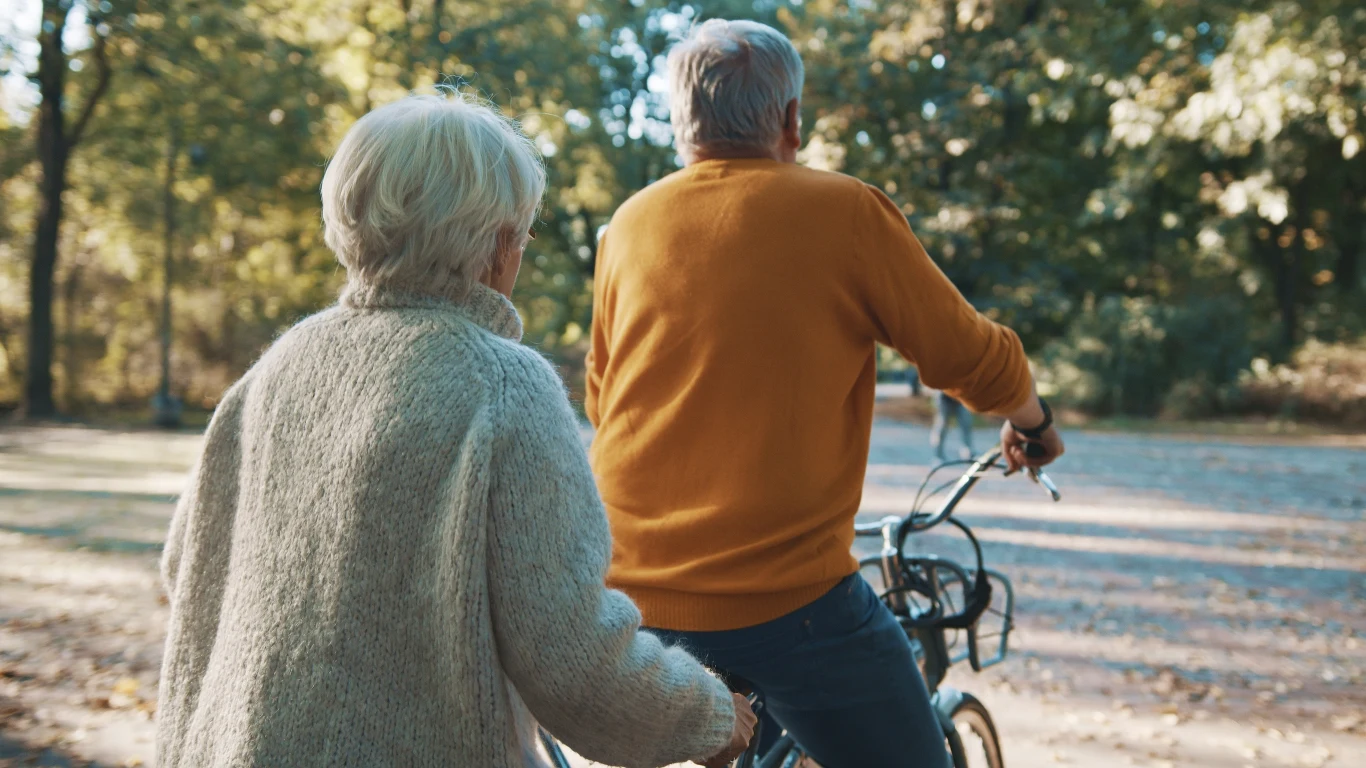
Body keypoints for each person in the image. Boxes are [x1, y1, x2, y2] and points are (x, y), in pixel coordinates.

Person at [156, 92, 755, 768]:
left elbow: (187, 566)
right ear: (499, 243)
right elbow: (572, 658)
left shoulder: (275, 369)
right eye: (522, 235)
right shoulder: (501, 385)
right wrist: (706, 713)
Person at [584, 19, 1064, 768]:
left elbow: (601, 398)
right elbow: (964, 351)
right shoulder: (843, 212)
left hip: (631, 597)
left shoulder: (627, 227)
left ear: (683, 123)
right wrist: (1032, 420)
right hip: (786, 605)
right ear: (790, 120)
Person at [932, 391, 976, 465]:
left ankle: (967, 452)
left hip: (961, 397)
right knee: (942, 426)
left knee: (966, 424)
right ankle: (938, 456)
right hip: (944, 397)